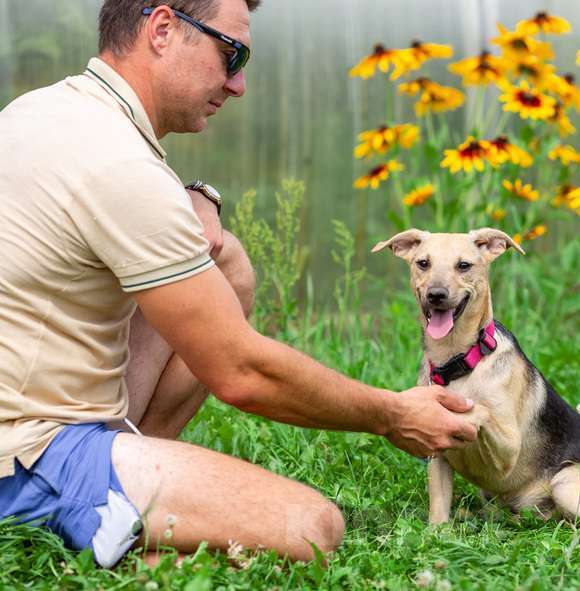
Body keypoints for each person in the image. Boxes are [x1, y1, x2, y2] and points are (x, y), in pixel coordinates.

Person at [0, 0, 478, 568]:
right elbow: (240, 371)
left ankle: (132, 478)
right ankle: (90, 540)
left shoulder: (46, 111)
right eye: (232, 53)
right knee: (310, 526)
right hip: (28, 456)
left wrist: (197, 194)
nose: (240, 83)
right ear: (162, 28)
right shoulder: (118, 165)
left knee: (226, 264)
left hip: (29, 408)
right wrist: (392, 414)